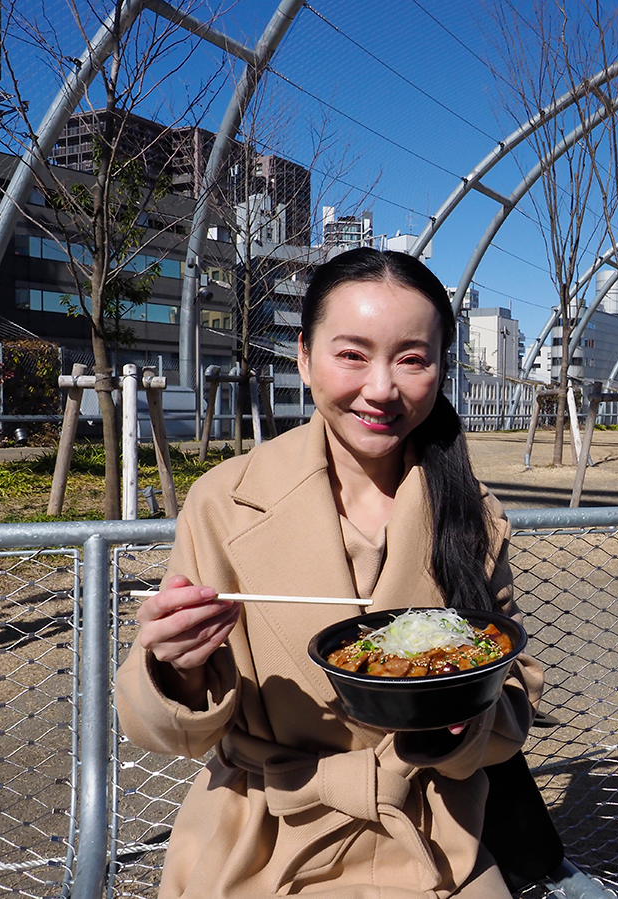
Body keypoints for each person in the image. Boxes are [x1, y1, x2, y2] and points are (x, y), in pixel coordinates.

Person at [116, 248, 543, 899]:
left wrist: (463, 716)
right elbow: (164, 731)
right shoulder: (225, 499)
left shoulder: (472, 509)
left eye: (411, 357)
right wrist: (175, 662)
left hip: (431, 837)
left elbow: (509, 701)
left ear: (440, 368)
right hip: (259, 841)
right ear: (304, 357)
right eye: (351, 354)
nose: (380, 387)